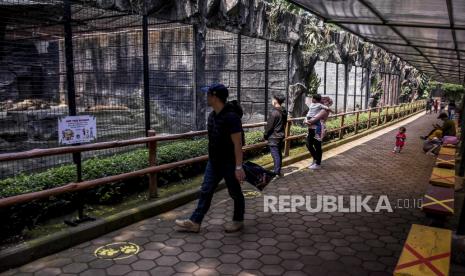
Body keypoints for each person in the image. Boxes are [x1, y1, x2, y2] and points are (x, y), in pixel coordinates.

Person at [175, 84, 246, 233]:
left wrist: (238, 167)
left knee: (234, 192)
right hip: (214, 162)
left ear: (215, 97)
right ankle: (195, 222)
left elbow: (238, 143)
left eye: (208, 94)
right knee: (206, 190)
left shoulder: (231, 117)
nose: (206, 97)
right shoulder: (212, 116)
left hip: (229, 163)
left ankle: (238, 220)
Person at [264, 93, 287, 176]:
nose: (271, 101)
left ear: (275, 101)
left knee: (275, 155)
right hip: (280, 135)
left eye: (272, 99)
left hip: (274, 137)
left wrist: (265, 135)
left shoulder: (274, 113)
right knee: (278, 154)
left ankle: (276, 172)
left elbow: (269, 126)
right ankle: (278, 170)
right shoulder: (283, 111)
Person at [304, 94, 330, 169]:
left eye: (325, 99)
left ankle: (317, 163)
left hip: (318, 129)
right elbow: (308, 114)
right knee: (309, 144)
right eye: (322, 98)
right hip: (312, 128)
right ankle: (316, 159)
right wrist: (306, 120)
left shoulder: (323, 110)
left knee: (317, 145)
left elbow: (315, 119)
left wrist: (306, 121)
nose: (322, 100)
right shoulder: (317, 107)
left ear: (327, 101)